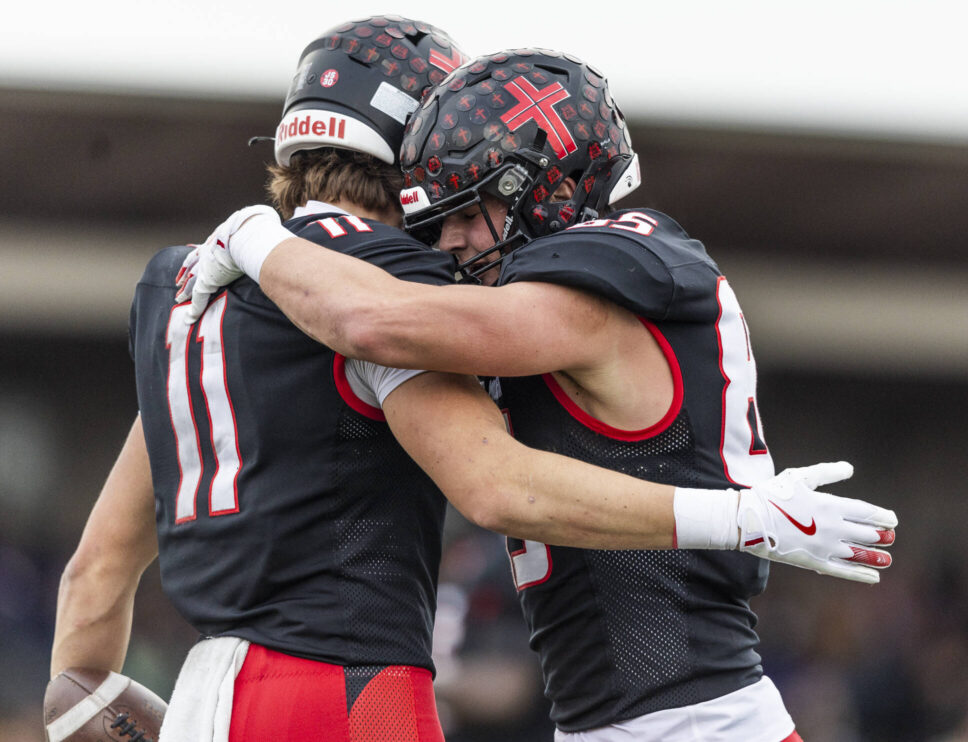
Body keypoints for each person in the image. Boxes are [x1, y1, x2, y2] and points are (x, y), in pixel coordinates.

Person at [178, 48, 898, 742]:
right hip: (616, 720)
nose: (450, 242)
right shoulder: (581, 294)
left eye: (469, 210)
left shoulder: (605, 280)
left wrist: (257, 239)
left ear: (550, 188)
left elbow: (375, 324)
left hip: (693, 720)